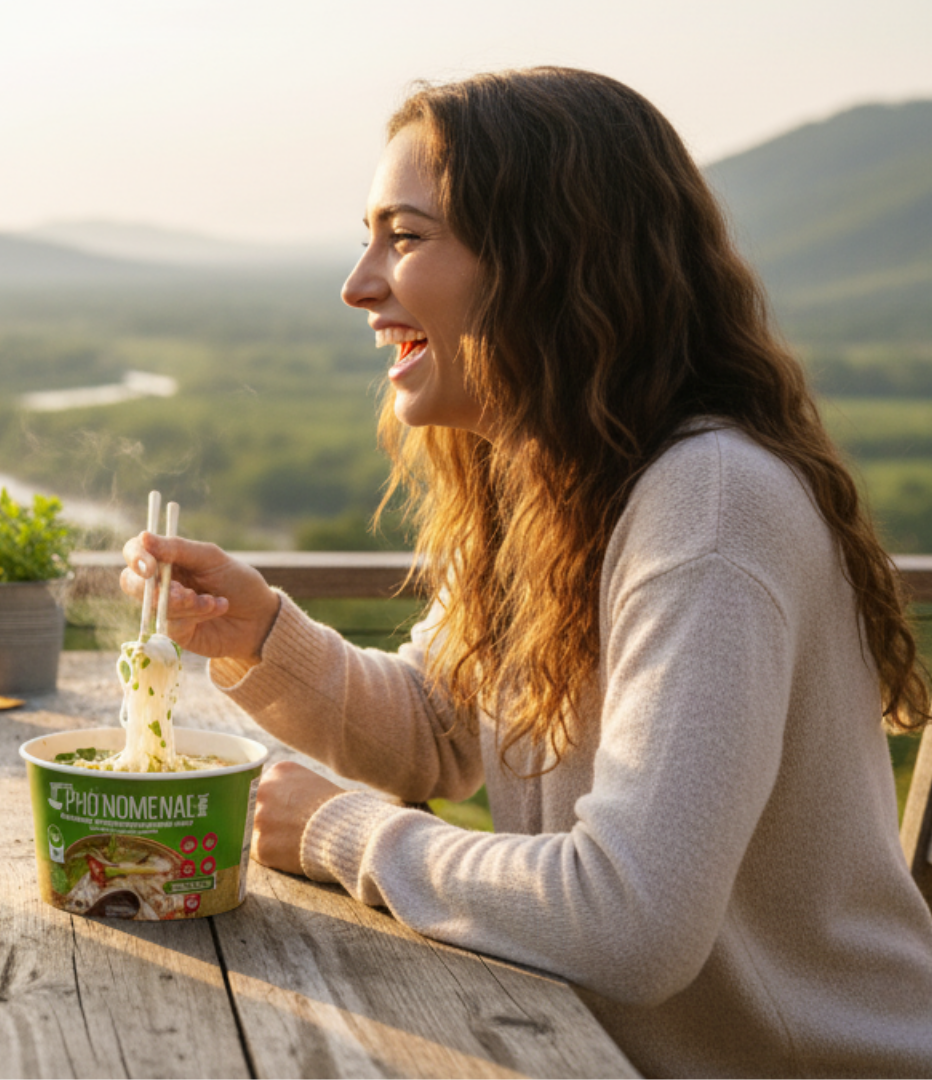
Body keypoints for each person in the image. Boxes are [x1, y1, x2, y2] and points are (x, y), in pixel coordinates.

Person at [123, 68, 932, 1076]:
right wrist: (258, 634)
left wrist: (344, 832)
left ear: (548, 260)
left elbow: (632, 918)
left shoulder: (709, 504)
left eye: (405, 237)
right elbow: (436, 730)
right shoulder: (554, 479)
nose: (359, 283)